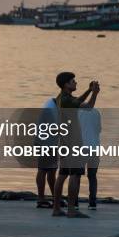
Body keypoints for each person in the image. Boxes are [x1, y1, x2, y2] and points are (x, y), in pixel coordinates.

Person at [51, 72, 100, 218]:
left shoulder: (62, 98)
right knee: (75, 174)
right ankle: (71, 209)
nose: (76, 83)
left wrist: (93, 92)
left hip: (65, 141)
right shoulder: (66, 100)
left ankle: (56, 208)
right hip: (73, 142)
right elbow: (82, 103)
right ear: (66, 84)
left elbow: (88, 106)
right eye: (73, 81)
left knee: (63, 174)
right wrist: (91, 91)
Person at [35, 97, 60, 209]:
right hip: (44, 141)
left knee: (52, 171)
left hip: (51, 142)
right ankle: (41, 199)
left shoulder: (54, 105)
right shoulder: (50, 108)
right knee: (43, 170)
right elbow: (51, 129)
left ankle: (56, 198)